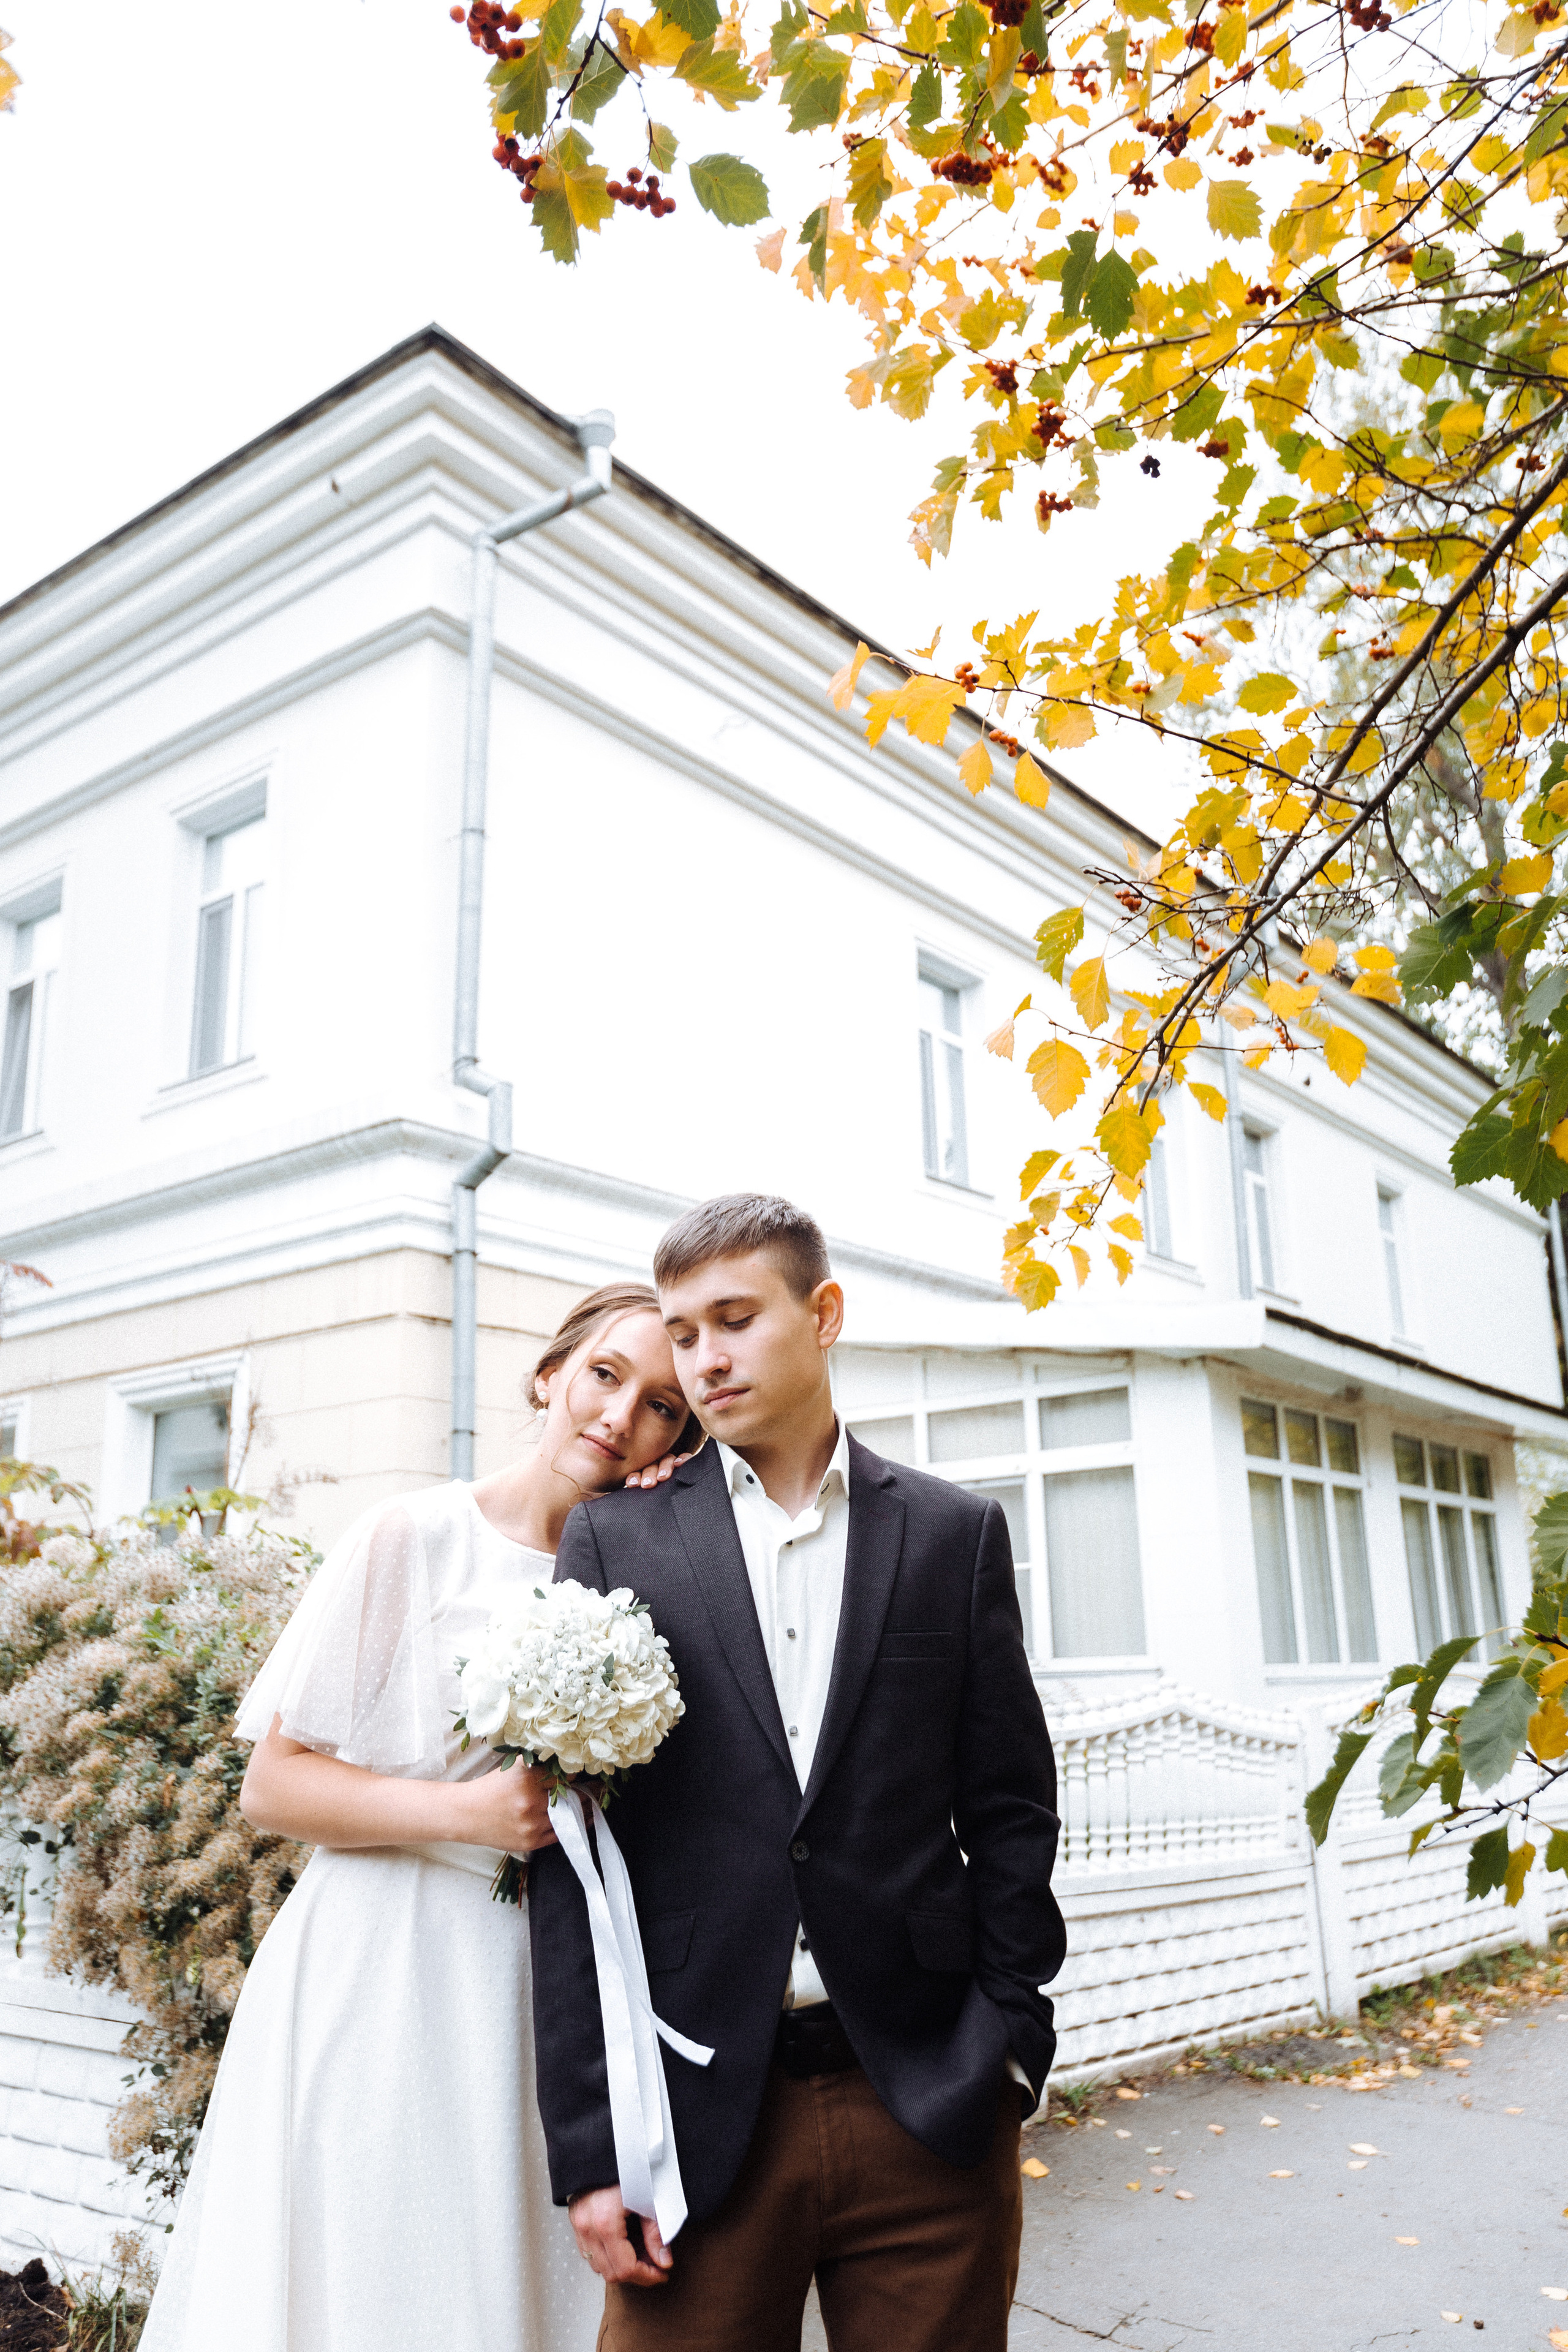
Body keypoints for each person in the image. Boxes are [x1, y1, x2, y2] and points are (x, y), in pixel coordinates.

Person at [529, 1195, 1066, 2352]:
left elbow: (1012, 1808)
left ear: (822, 1314)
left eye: (735, 1317)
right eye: (683, 1331)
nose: (705, 1358)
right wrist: (589, 2148)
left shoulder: (951, 1533)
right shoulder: (617, 1540)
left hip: (926, 2101)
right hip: (697, 2123)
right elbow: (576, 1857)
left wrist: (1012, 2044)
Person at [140, 1283, 696, 2352]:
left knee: (505, 2281)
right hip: (382, 1961)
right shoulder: (415, 1537)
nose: (623, 1418)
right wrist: (468, 1813)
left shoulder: (644, 1573)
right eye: (607, 1376)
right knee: (373, 2267)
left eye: (665, 1409)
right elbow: (273, 1785)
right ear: (551, 1376)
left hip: (539, 1985)